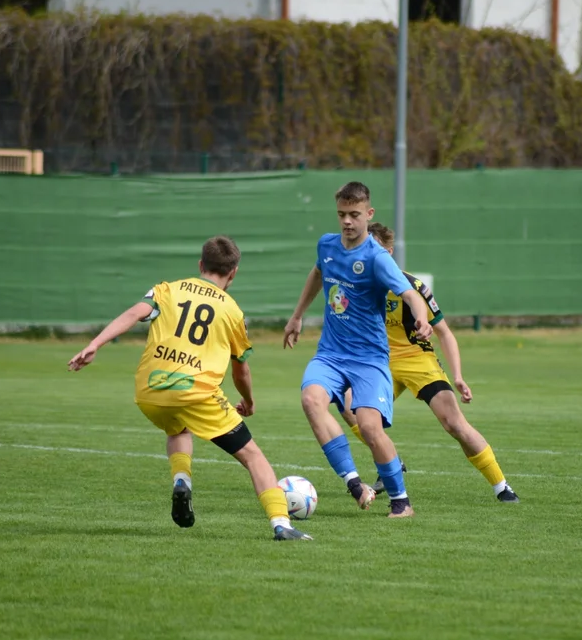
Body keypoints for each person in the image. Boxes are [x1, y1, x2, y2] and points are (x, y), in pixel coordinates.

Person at [68, 235, 311, 541]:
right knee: (253, 456)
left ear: (200, 265)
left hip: (150, 391)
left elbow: (133, 313)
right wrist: (248, 401)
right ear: (233, 273)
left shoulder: (167, 289)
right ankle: (282, 525)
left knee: (178, 430)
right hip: (196, 394)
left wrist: (94, 344)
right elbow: (241, 368)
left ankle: (182, 480)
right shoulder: (232, 311)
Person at [339, 223, 520, 503]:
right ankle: (392, 463)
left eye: (371, 248)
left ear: (387, 252)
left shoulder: (411, 286)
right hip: (377, 362)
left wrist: (458, 376)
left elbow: (445, 332)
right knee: (349, 406)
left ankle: (501, 486)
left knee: (453, 423)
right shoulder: (351, 283)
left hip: (417, 359)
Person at [283, 181, 433, 519]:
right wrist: (296, 316)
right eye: (341, 215)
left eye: (354, 215)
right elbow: (318, 273)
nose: (347, 222)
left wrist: (421, 318)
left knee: (369, 427)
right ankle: (355, 484)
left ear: (369, 214)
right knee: (311, 400)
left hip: (369, 360)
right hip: (331, 354)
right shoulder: (327, 245)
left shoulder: (377, 258)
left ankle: (401, 502)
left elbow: (410, 294)